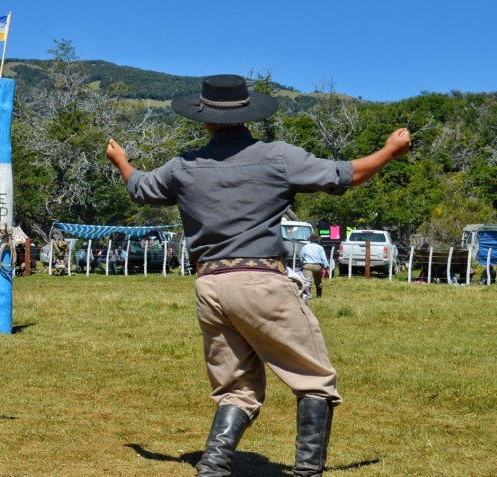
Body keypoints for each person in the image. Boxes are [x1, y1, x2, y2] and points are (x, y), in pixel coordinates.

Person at [105, 74, 411, 477]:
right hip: (261, 280)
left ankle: (213, 468)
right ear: (248, 114)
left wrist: (121, 161)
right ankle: (307, 472)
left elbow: (140, 188)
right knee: (314, 380)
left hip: (211, 286)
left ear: (206, 119)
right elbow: (347, 174)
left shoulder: (183, 166)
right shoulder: (278, 157)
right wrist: (390, 151)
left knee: (237, 388)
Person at [300, 234, 329, 298]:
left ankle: (307, 295)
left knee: (308, 281)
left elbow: (301, 257)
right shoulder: (320, 248)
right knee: (318, 281)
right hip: (317, 266)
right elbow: (324, 258)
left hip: (307, 265)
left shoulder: (305, 247)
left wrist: (301, 265)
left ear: (310, 240)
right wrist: (326, 266)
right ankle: (319, 295)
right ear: (317, 240)